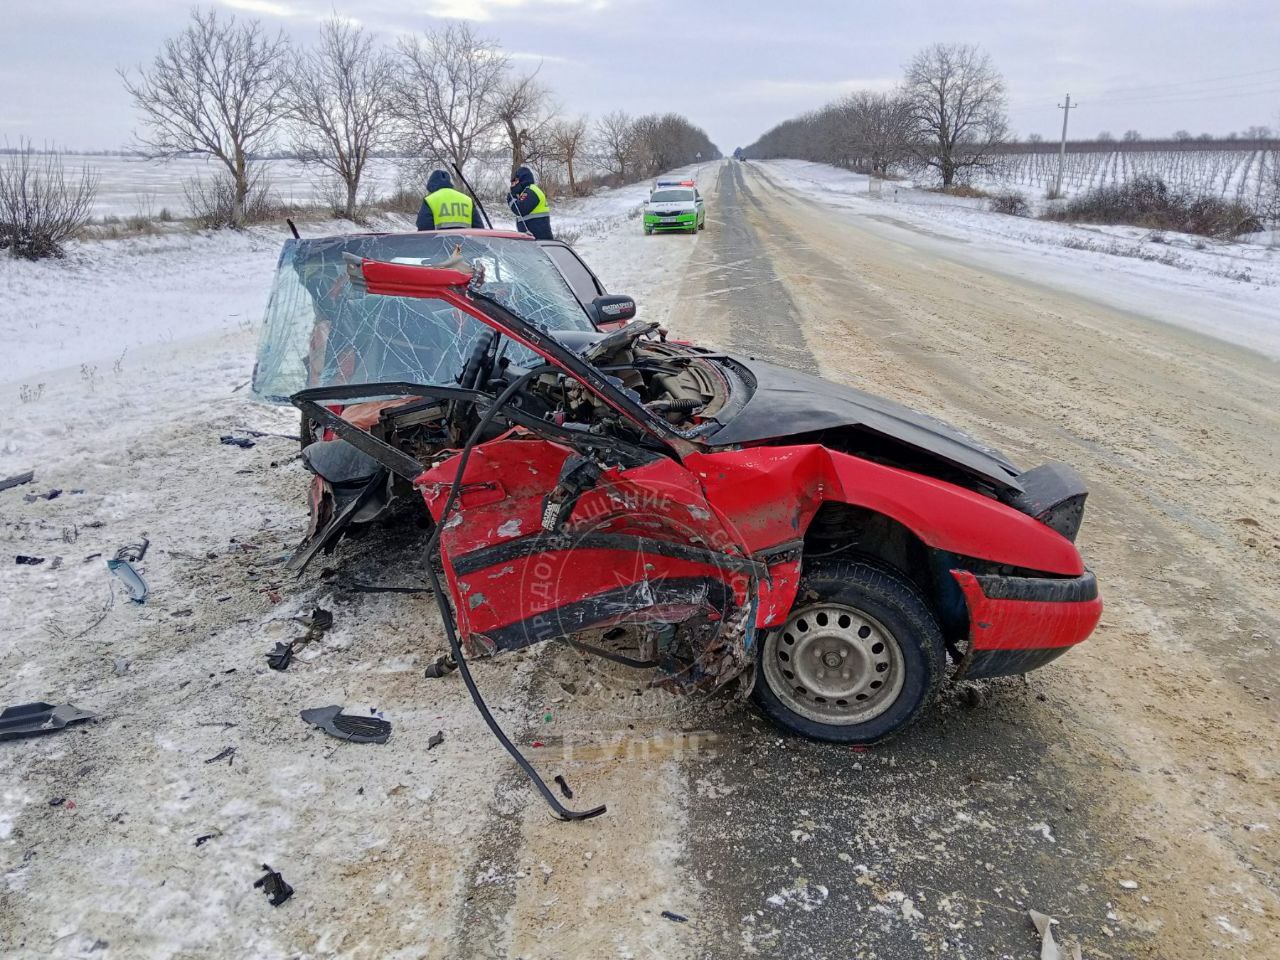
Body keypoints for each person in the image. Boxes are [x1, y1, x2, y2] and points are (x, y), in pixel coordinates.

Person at [416, 169, 482, 231]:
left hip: (440, 239)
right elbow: (479, 229)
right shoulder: (467, 200)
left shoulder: (430, 200)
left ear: (431, 186)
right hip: (465, 239)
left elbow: (423, 228)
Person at [506, 165, 553, 240]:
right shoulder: (526, 191)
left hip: (540, 239)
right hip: (534, 239)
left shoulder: (531, 191)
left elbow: (519, 209)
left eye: (516, 181)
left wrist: (511, 196)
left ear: (523, 179)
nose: (514, 184)